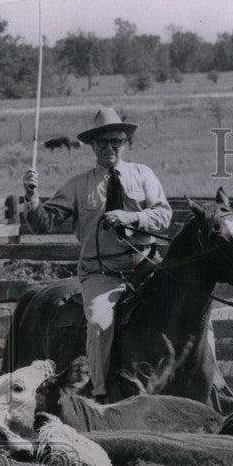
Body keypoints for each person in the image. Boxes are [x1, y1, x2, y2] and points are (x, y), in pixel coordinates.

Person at [22, 107, 172, 402]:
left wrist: (132, 219)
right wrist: (31, 197)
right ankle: (100, 396)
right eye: (103, 143)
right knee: (100, 323)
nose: (110, 148)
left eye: (116, 142)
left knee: (189, 304)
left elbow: (164, 215)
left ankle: (213, 387)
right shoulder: (79, 185)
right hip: (103, 272)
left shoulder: (143, 175)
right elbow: (42, 223)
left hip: (146, 264)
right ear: (92, 146)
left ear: (125, 143)